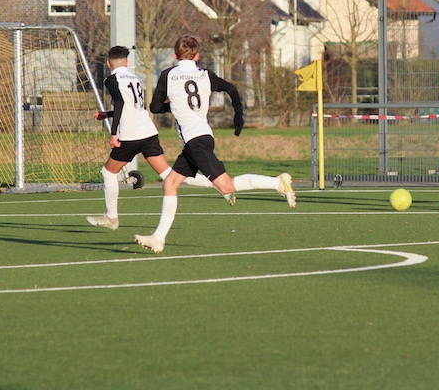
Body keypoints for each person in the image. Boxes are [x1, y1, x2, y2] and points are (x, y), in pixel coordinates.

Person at [135, 35, 296, 253]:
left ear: (174, 55)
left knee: (226, 186)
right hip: (201, 138)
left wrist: (172, 104)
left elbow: (154, 107)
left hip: (195, 142)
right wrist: (239, 116)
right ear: (197, 56)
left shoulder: (168, 75)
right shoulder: (205, 75)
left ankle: (278, 183)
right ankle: (158, 238)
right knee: (170, 184)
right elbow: (232, 89)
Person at [86, 45, 212, 231]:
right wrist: (108, 114)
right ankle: (215, 182)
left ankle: (112, 217)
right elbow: (131, 107)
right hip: (148, 131)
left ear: (108, 63)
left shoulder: (112, 79)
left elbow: (120, 103)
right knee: (168, 174)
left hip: (130, 135)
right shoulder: (134, 78)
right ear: (126, 62)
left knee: (108, 173)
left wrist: (113, 134)